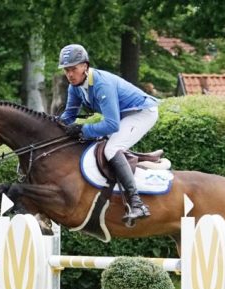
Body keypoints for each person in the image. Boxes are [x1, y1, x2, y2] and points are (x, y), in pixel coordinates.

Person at [58, 44, 159, 223]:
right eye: (66, 70)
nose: (70, 74)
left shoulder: (101, 84)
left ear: (85, 66)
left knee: (111, 149)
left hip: (142, 113)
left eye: (73, 69)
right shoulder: (74, 87)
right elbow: (68, 117)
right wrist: (48, 125)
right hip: (124, 115)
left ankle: (137, 204)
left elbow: (111, 125)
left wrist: (83, 129)